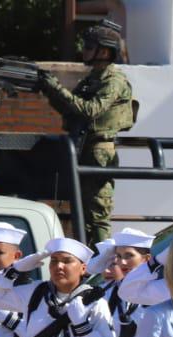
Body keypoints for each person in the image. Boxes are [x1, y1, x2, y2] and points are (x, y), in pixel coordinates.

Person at [39, 21, 136, 247]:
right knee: (80, 214)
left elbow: (90, 110)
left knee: (97, 214)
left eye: (89, 47)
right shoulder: (92, 78)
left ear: (104, 51)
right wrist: (49, 89)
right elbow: (71, 108)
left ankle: (102, 263)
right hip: (82, 146)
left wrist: (56, 88)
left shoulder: (113, 80)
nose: (84, 51)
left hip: (99, 151)